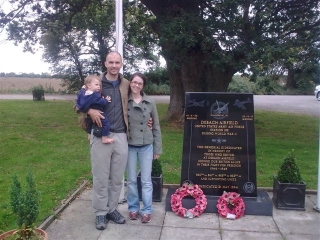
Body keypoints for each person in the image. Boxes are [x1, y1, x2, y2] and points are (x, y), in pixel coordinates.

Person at [86, 51, 129, 230]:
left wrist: (148, 119)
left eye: (117, 62)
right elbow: (77, 103)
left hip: (121, 136)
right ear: (105, 63)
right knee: (101, 177)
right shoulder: (96, 83)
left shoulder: (126, 83)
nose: (114, 65)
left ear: (121, 64)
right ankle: (100, 213)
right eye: (110, 62)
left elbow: (138, 102)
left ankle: (112, 209)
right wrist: (90, 111)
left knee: (117, 178)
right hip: (100, 136)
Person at [126, 72, 162, 224]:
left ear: (143, 86)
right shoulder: (124, 101)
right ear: (130, 83)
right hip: (129, 145)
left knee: (146, 181)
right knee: (131, 180)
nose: (136, 85)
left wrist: (157, 148)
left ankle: (147, 210)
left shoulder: (150, 102)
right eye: (134, 82)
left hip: (146, 145)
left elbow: (156, 125)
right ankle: (133, 208)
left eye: (140, 83)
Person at [76, 75, 114, 144]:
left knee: (90, 123)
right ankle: (104, 138)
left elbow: (78, 100)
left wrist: (82, 89)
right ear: (89, 85)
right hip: (99, 113)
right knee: (106, 124)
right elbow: (102, 102)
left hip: (88, 116)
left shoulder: (83, 93)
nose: (99, 86)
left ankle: (89, 133)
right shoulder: (94, 95)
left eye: (99, 85)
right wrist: (106, 100)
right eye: (96, 85)